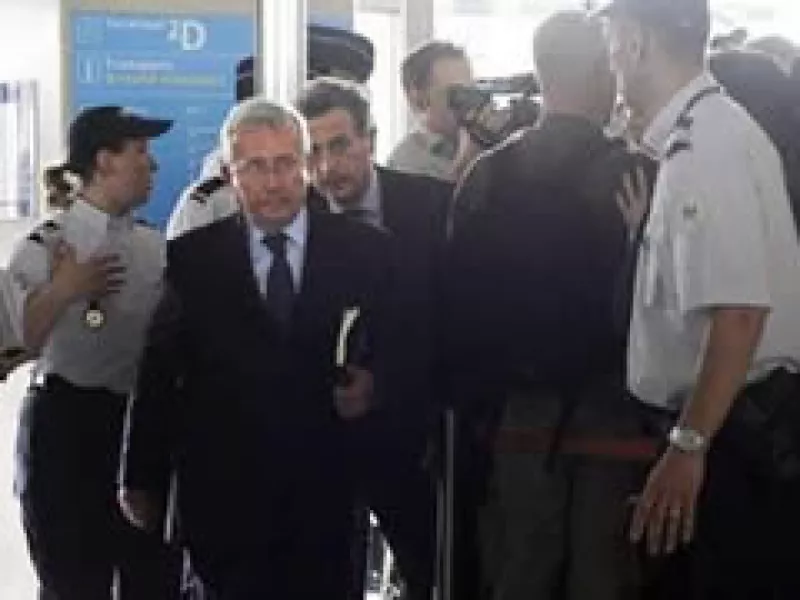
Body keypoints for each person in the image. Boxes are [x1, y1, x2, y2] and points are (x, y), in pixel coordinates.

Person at [118, 97, 394, 600]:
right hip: (225, 497)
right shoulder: (193, 259)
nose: (274, 183)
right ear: (230, 174)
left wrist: (374, 386)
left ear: (307, 166)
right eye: (256, 167)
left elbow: (396, 346)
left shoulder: (364, 251)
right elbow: (159, 372)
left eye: (287, 164)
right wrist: (139, 476)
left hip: (326, 491)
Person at [444, 11, 655, 600]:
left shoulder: (485, 177)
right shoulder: (635, 174)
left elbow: (455, 308)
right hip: (614, 421)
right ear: (603, 73)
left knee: (518, 573)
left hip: (516, 427)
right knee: (603, 576)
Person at [602, 0, 800, 596]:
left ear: (635, 42)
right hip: (729, 428)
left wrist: (688, 446)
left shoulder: (705, 148)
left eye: (612, 40)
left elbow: (738, 314)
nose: (609, 60)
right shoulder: (706, 133)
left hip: (732, 438)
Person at [7, 105, 177, 599]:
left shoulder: (154, 245)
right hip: (67, 428)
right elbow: (18, 344)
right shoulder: (44, 245)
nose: (152, 166)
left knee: (152, 575)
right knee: (72, 581)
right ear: (104, 162)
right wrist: (65, 288)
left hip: (135, 426)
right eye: (140, 153)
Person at [295, 76, 452, 600]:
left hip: (416, 438)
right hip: (324, 439)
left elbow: (448, 324)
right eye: (312, 152)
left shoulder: (432, 208)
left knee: (433, 570)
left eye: (339, 146)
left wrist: (385, 386)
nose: (326, 167)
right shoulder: (294, 226)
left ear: (371, 139)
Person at [388, 41, 478, 183]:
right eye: (456, 93)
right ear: (419, 98)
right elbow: (437, 204)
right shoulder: (405, 162)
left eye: (472, 90)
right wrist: (467, 162)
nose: (469, 101)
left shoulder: (483, 141)